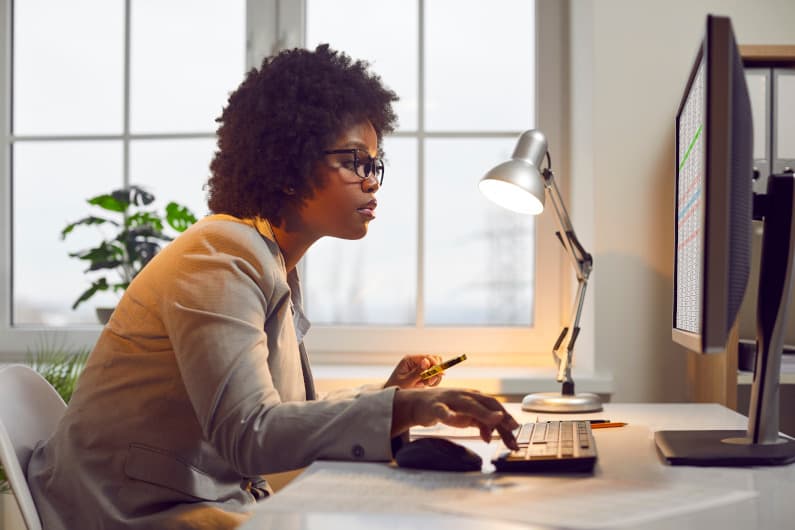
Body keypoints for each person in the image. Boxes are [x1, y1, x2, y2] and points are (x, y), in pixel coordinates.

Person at [27, 44, 519, 530]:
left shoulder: (269, 260)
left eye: (375, 163)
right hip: (125, 515)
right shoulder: (217, 256)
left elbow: (281, 416)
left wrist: (391, 394)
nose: (372, 181)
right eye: (354, 161)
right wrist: (401, 408)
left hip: (185, 503)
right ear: (289, 167)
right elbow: (248, 433)